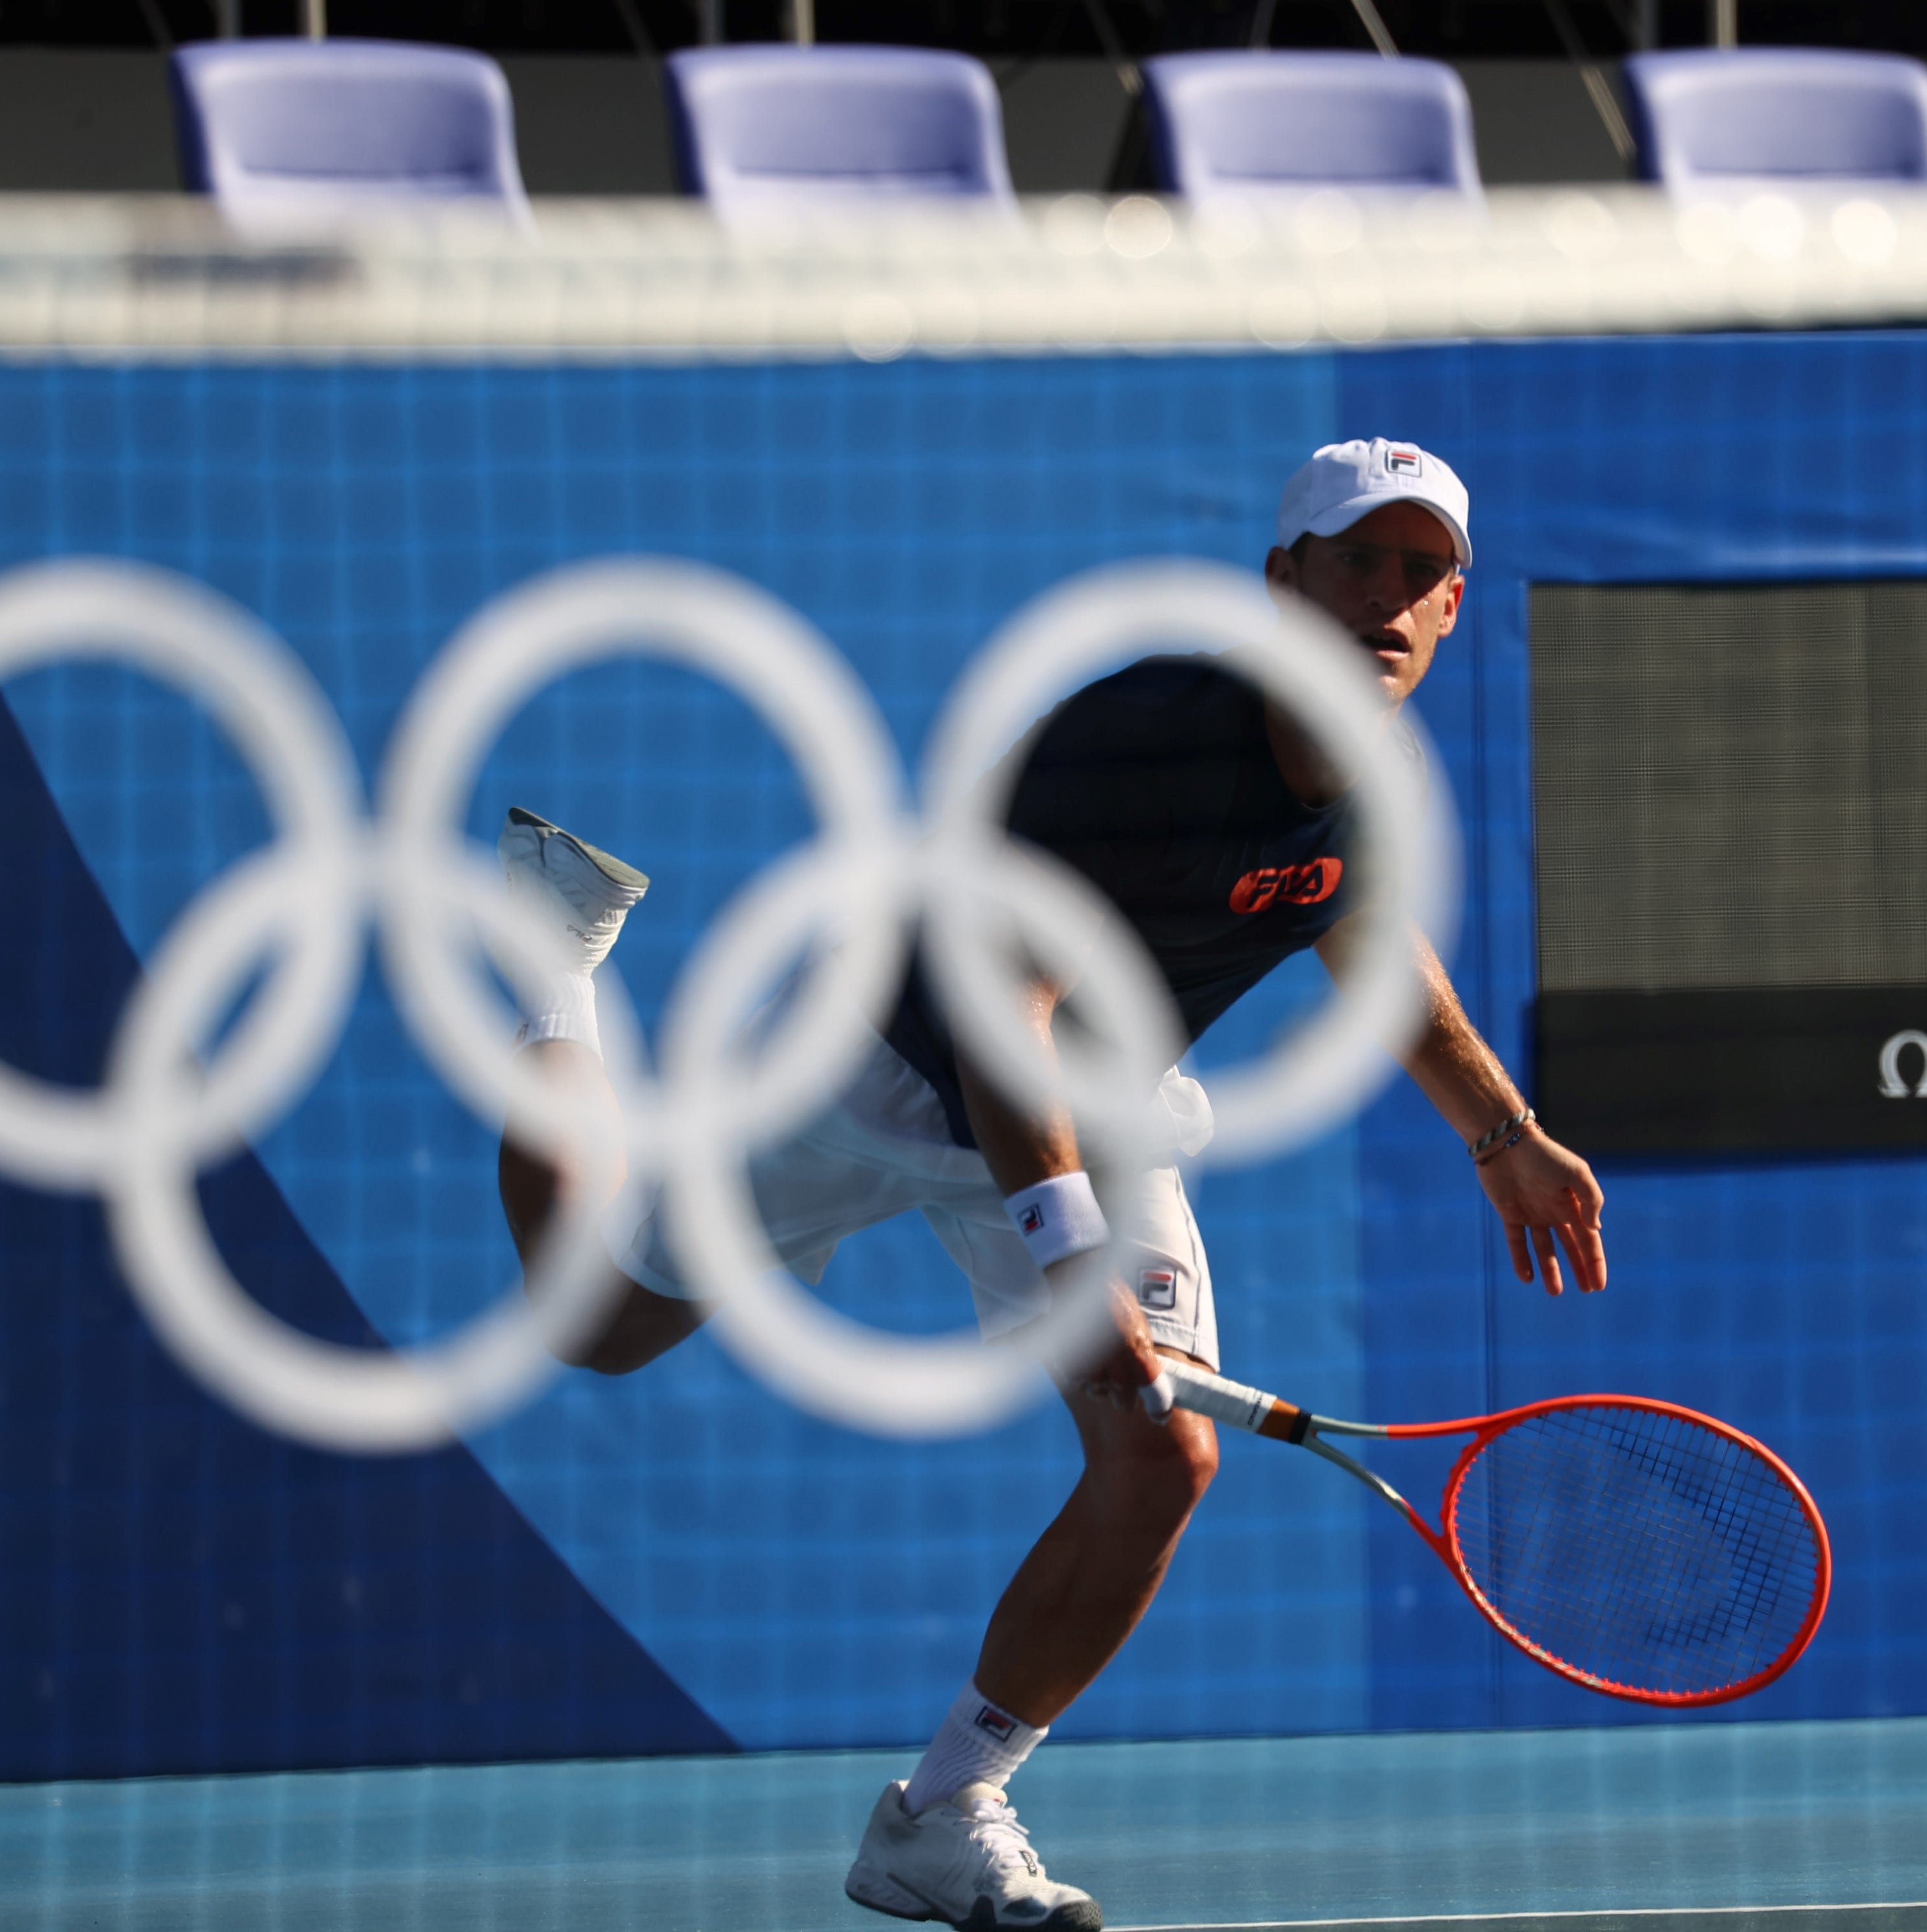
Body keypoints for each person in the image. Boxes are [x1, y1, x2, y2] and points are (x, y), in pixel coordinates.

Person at [494, 439, 1608, 1932]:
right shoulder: (1135, 744)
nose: (1390, 603)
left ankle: (942, 1813)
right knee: (593, 1323)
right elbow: (995, 1013)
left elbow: (1364, 937)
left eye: (1425, 577)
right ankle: (549, 973)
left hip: (1102, 1104)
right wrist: (1072, 1255)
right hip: (879, 1070)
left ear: (1455, 609)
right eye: (1358, 562)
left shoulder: (1379, 773)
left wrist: (1501, 1128)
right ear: (1284, 581)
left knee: (1162, 1457)